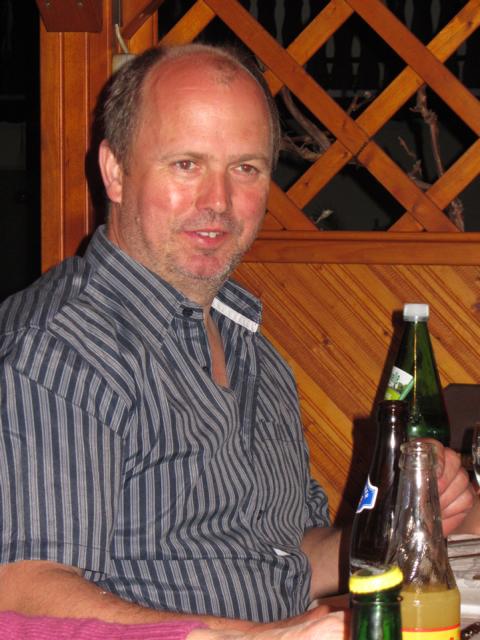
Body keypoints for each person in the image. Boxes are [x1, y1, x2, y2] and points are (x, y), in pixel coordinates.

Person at [0, 43, 475, 637]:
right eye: (186, 164)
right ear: (115, 171)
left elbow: (287, 555)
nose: (218, 202)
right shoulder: (59, 348)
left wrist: (405, 520)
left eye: (245, 168)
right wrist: (254, 637)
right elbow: (21, 593)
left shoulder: (254, 350)